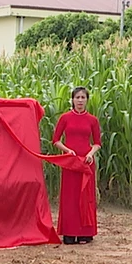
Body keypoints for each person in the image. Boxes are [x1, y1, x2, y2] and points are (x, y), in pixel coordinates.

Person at [51, 86, 102, 244]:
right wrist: (68, 151)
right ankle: (69, 233)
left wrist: (89, 154)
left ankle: (85, 233)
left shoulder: (92, 120)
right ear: (72, 100)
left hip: (86, 163)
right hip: (71, 163)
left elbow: (97, 143)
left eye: (83, 98)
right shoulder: (65, 118)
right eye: (77, 97)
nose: (80, 100)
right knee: (70, 197)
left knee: (85, 197)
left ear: (87, 100)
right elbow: (56, 140)